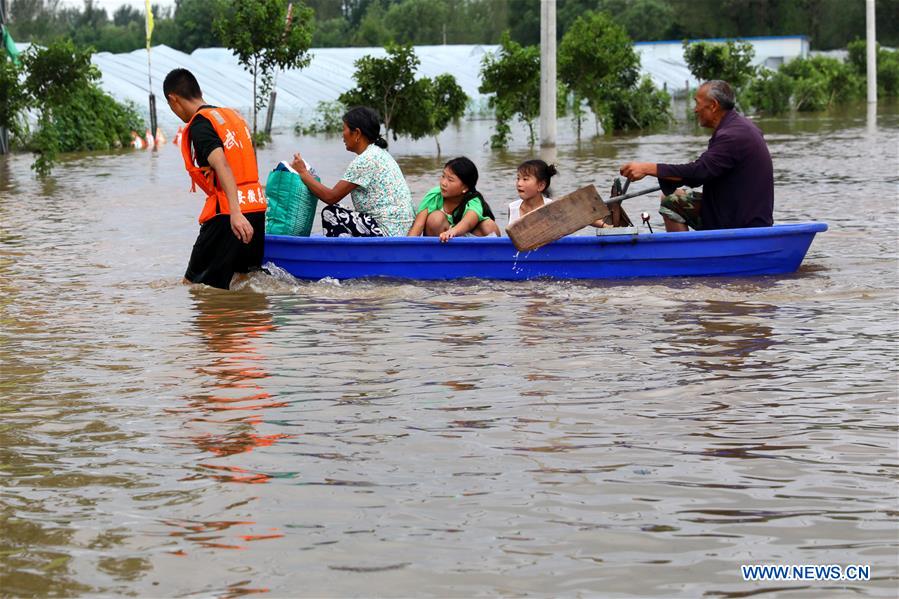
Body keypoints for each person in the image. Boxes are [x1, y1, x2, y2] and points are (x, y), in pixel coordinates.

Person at [619, 79, 774, 232]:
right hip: (741, 212)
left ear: (713, 105)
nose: (695, 109)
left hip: (740, 222)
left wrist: (647, 168)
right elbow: (703, 171)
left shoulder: (732, 136)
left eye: (697, 103)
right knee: (673, 195)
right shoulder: (740, 126)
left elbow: (698, 172)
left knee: (670, 201)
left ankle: (686, 255)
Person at [164, 68, 266, 290]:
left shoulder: (201, 124)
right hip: (256, 208)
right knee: (244, 283)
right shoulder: (233, 117)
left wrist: (236, 213)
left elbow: (222, 164)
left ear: (173, 100)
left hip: (230, 214)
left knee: (194, 286)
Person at [290, 107, 414, 237]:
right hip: (401, 230)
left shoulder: (366, 160)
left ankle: (343, 255)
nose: (342, 135)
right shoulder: (379, 153)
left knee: (331, 213)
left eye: (344, 129)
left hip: (388, 232)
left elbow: (331, 197)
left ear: (357, 133)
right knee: (341, 209)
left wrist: (303, 172)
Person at [407, 157, 500, 241]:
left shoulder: (473, 200)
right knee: (435, 218)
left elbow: (469, 220)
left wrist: (452, 232)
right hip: (440, 242)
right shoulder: (434, 195)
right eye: (443, 176)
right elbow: (418, 226)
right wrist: (404, 250)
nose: (443, 183)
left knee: (489, 225)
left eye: (450, 180)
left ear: (465, 188)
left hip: (463, 239)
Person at [507, 159, 557, 226]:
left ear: (541, 186)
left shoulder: (551, 207)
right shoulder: (512, 208)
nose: (519, 183)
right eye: (518, 178)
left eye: (525, 179)